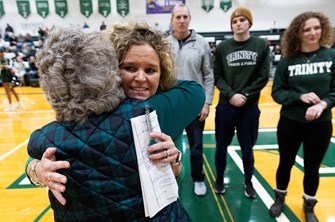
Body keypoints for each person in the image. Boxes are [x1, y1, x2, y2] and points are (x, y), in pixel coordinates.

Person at [25, 23, 205, 221]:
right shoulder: (141, 111)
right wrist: (37, 170)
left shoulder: (159, 109)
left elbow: (177, 175)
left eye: (151, 70)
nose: (141, 78)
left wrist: (175, 161)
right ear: (108, 69)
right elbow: (45, 156)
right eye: (129, 68)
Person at [270, 11, 335, 222]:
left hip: (321, 125)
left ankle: (309, 204)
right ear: (298, 33)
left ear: (323, 29)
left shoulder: (331, 56)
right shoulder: (288, 60)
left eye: (316, 28)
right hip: (290, 122)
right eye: (307, 29)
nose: (312, 33)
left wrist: (324, 104)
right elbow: (277, 92)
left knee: (312, 168)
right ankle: (279, 198)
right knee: (285, 163)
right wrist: (300, 96)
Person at [213, 6, 270, 198]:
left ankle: (248, 181)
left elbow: (263, 77)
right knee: (221, 146)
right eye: (234, 21)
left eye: (242, 20)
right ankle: (219, 179)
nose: (238, 24)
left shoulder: (261, 45)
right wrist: (231, 95)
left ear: (249, 23)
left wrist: (244, 94)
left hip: (249, 107)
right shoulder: (222, 47)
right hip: (226, 106)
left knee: (248, 148)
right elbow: (217, 76)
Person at [167, 3, 214, 196]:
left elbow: (208, 75)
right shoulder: (164, 43)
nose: (181, 20)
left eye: (185, 17)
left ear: (190, 19)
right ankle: (169, 182)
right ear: (172, 20)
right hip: (172, 107)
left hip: (195, 107)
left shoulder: (201, 43)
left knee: (196, 147)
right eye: (178, 17)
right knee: (170, 148)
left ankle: (198, 178)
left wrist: (207, 102)